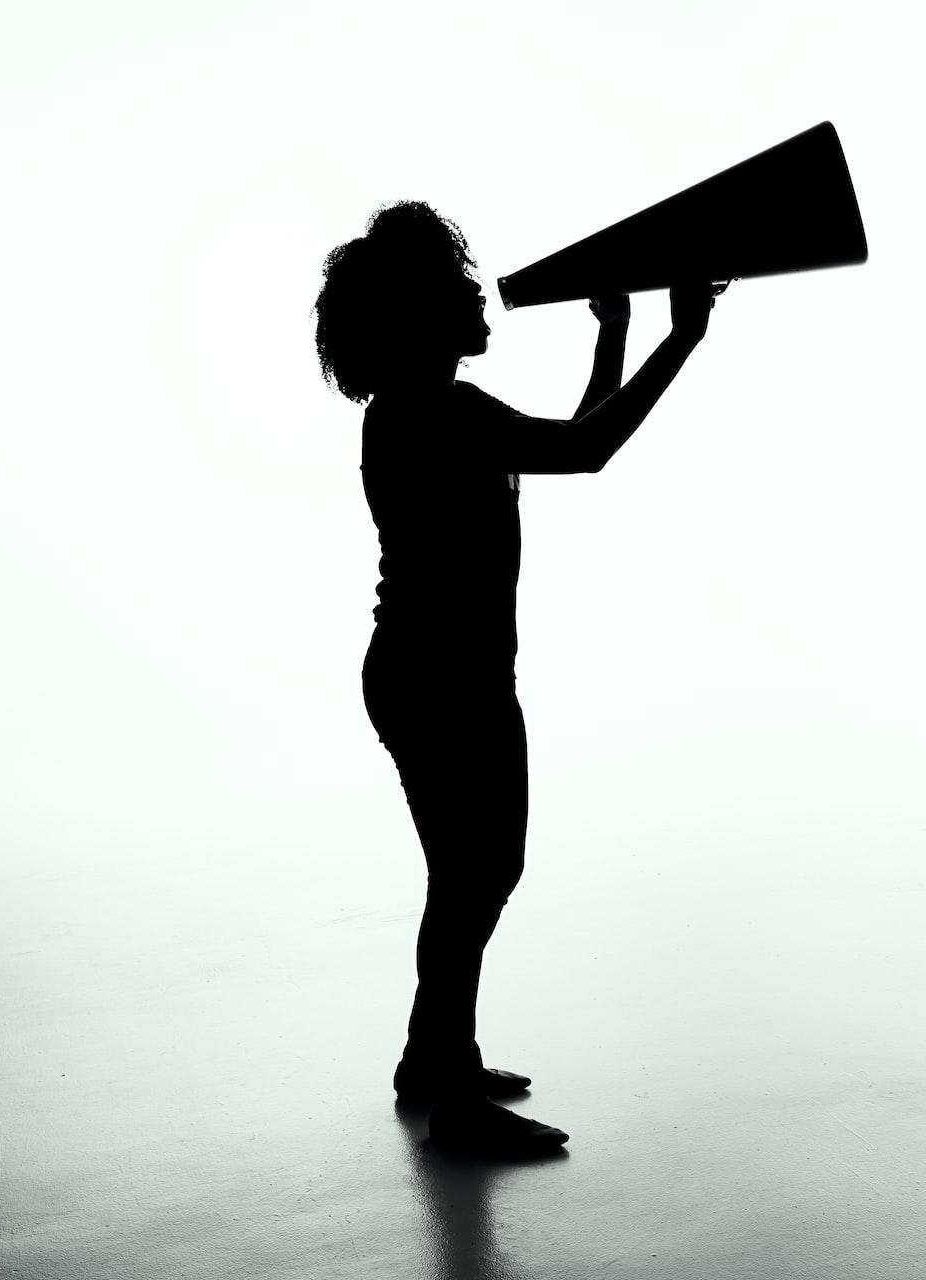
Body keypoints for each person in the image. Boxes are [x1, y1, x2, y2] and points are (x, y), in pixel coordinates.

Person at [313, 201, 719, 1157]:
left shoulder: (422, 411)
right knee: (474, 877)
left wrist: (616, 334)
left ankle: (433, 1059)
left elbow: (575, 433)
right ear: (420, 319)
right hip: (443, 679)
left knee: (471, 876)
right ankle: (449, 1094)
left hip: (432, 674)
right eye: (461, 290)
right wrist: (682, 337)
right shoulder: (437, 413)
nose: (481, 298)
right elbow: (588, 451)